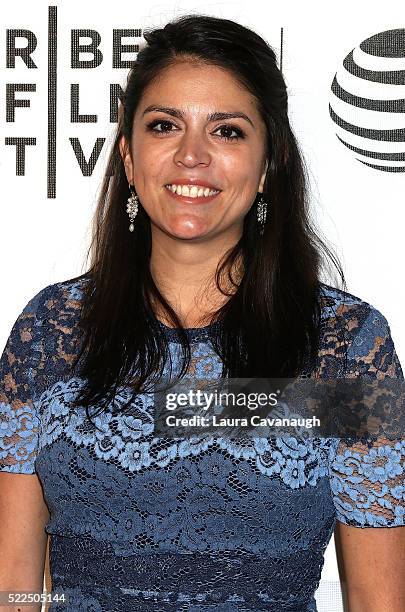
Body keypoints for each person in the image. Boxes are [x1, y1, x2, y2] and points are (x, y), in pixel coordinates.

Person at [0, 13, 404, 612]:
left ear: (268, 165)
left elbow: (378, 599)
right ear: (129, 159)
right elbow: (14, 583)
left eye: (228, 132)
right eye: (165, 126)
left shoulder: (344, 346)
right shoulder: (51, 331)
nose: (192, 155)